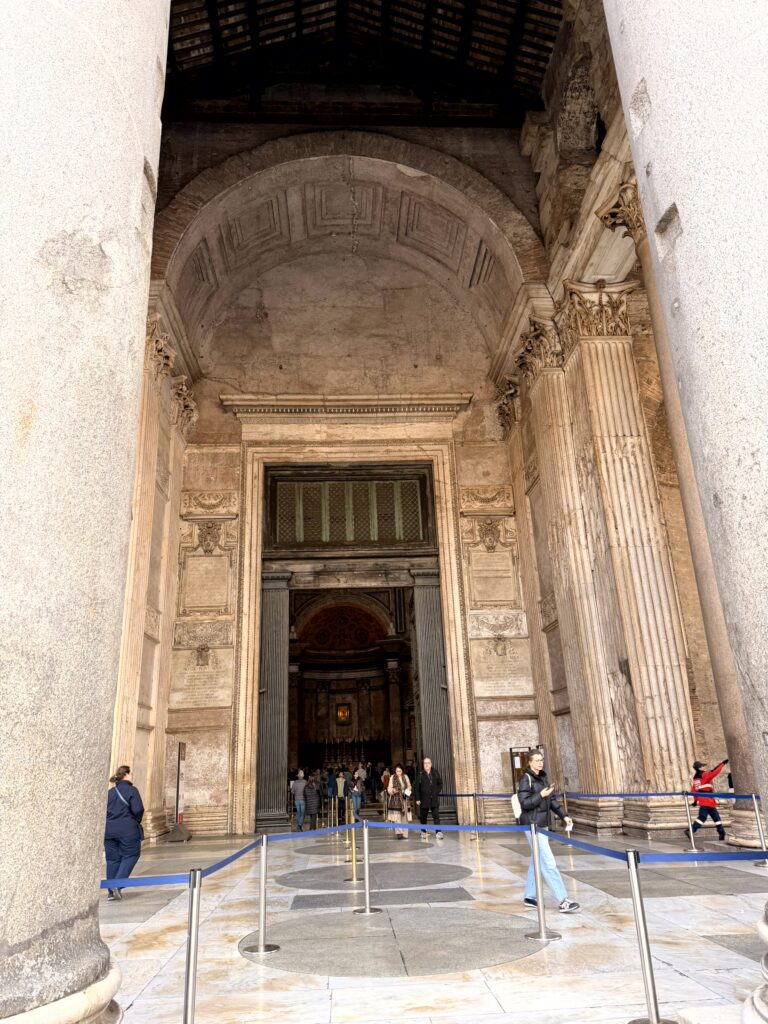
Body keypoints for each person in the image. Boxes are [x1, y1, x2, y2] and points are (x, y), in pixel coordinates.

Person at [517, 751, 579, 913]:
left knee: (536, 860)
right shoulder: (525, 779)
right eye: (537, 760)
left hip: (542, 825)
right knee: (548, 862)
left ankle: (530, 896)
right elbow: (524, 803)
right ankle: (563, 900)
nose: (540, 763)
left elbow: (551, 801)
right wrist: (541, 794)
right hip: (532, 825)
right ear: (530, 762)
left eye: (541, 760)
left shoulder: (543, 778)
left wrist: (564, 816)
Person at [104, 765, 144, 901]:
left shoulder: (110, 792)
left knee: (112, 860)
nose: (132, 776)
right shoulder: (132, 790)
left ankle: (111, 892)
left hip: (109, 831)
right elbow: (138, 809)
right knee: (131, 854)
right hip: (127, 830)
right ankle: (118, 884)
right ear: (126, 775)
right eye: (130, 774)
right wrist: (135, 821)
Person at [686, 758, 728, 841]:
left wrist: (695, 800)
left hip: (706, 801)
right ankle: (690, 830)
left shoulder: (696, 779)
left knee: (716, 818)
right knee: (703, 817)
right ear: (699, 768)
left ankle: (722, 833)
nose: (704, 767)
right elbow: (714, 772)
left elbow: (694, 790)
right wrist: (722, 764)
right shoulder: (704, 776)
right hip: (707, 800)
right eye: (702, 766)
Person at [413, 756, 444, 841]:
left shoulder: (435, 773)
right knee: (423, 817)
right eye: (425, 763)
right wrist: (417, 799)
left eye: (428, 763)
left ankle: (438, 832)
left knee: (436, 816)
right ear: (423, 765)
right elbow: (416, 788)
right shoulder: (420, 774)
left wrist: (436, 791)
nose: (426, 765)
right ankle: (423, 831)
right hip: (424, 799)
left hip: (433, 799)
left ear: (431, 764)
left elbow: (440, 783)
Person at [387, 763, 411, 839]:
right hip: (396, 800)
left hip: (404, 799)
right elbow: (389, 788)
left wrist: (406, 792)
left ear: (402, 771)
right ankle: (399, 833)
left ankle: (405, 834)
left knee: (404, 817)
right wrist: (393, 790)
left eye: (400, 771)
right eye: (397, 771)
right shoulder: (392, 777)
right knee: (397, 817)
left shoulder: (405, 777)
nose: (398, 773)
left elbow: (409, 786)